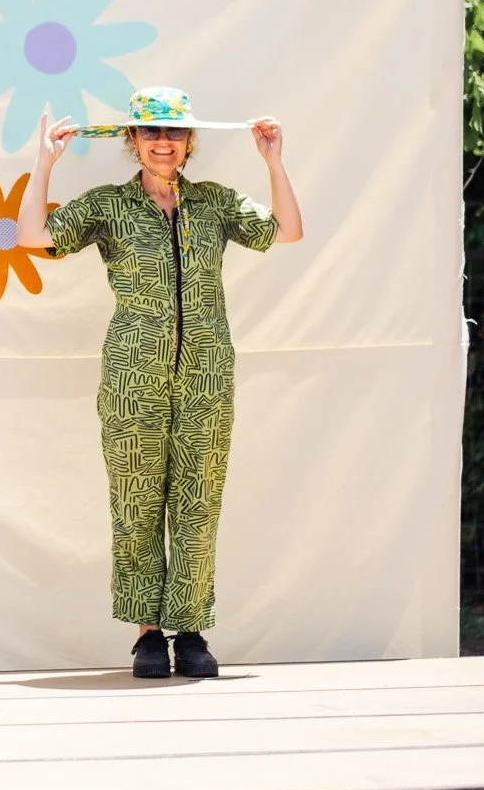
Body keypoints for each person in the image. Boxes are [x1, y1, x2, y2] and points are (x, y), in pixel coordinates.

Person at [16, 86, 303, 680]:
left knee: (199, 500)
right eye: (151, 131)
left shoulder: (215, 203)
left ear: (190, 141)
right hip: (132, 376)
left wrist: (273, 160)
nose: (163, 142)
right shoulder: (108, 206)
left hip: (206, 374)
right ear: (133, 140)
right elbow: (33, 238)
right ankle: (148, 634)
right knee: (137, 502)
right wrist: (44, 162)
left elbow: (287, 231)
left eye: (174, 132)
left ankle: (191, 633)